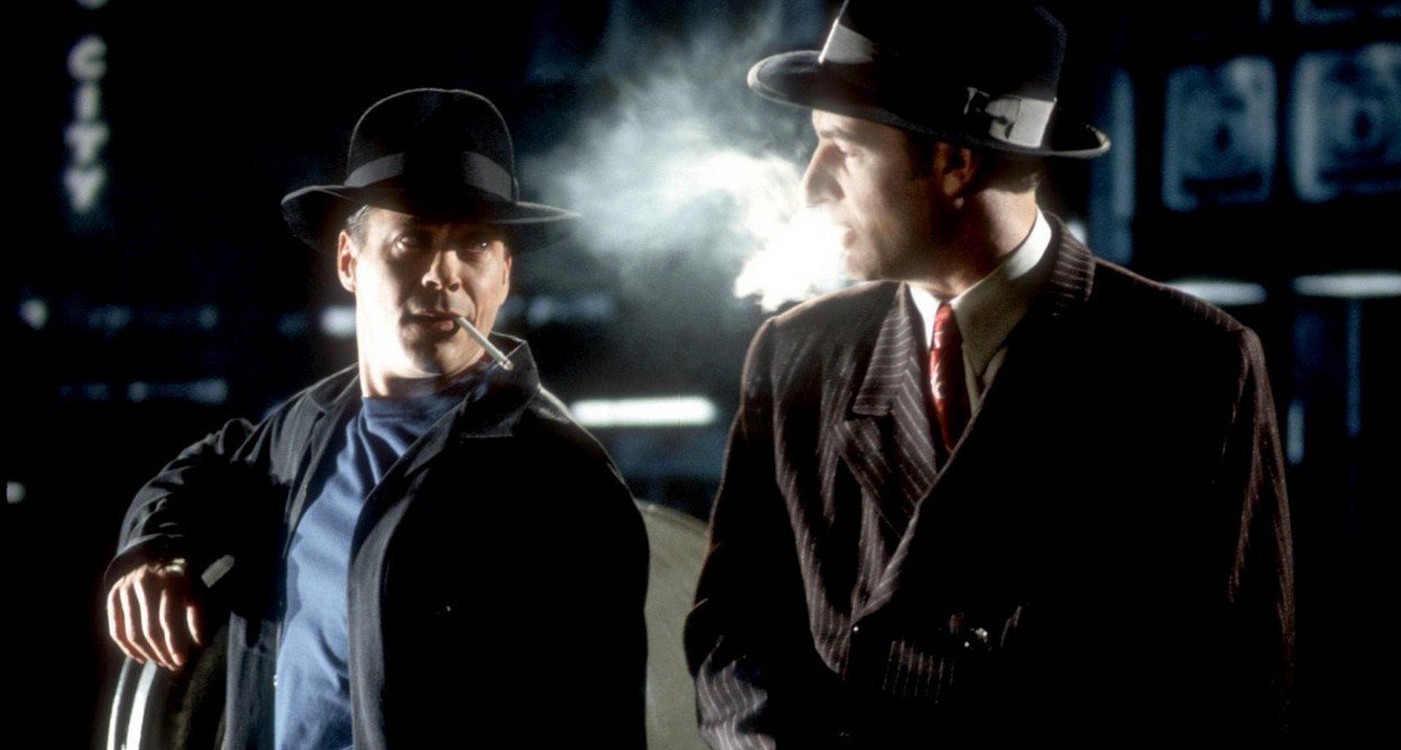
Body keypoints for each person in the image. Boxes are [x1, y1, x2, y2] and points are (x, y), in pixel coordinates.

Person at [684, 2, 1295, 746]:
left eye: (843, 147)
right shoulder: (798, 355)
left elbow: (1234, 689)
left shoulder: (1190, 363)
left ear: (954, 162)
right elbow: (737, 644)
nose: (813, 185)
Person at [105, 88, 649, 749]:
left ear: (504, 274)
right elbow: (192, 477)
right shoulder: (303, 432)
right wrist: (152, 554)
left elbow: (599, 726)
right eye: (411, 240)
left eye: (474, 244)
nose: (443, 275)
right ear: (349, 261)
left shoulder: (562, 479)